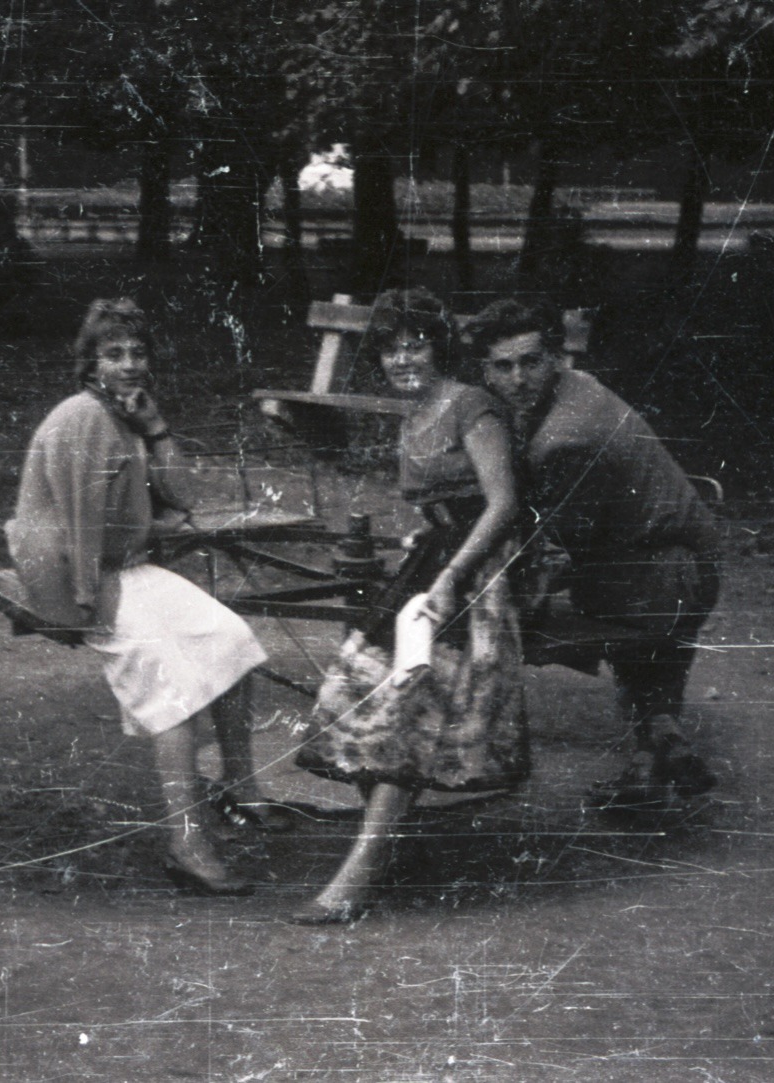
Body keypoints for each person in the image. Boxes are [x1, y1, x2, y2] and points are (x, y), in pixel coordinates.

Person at [5, 297, 274, 896]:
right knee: (173, 688)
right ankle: (186, 843)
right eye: (114, 354)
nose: (129, 364)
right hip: (78, 574)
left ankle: (239, 786)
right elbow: (79, 524)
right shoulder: (82, 418)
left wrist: (157, 431)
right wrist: (79, 607)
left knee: (232, 640)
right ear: (89, 362)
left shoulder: (127, 413)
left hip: (125, 565)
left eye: (138, 352)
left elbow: (181, 495)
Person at [293, 288, 526, 923]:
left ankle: (357, 877)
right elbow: (433, 506)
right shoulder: (413, 414)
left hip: (481, 571)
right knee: (356, 689)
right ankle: (384, 840)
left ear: (439, 347)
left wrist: (451, 575)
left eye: (415, 345)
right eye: (391, 350)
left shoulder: (470, 406)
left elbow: (503, 504)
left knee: (410, 705)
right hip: (433, 561)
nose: (403, 360)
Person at [462, 296, 720, 805]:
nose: (518, 379)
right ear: (486, 371)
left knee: (510, 612)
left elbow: (558, 544)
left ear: (555, 357)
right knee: (612, 604)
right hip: (677, 561)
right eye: (503, 366)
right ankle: (659, 745)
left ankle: (465, 751)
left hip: (662, 574)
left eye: (531, 362)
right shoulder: (574, 390)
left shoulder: (567, 437)